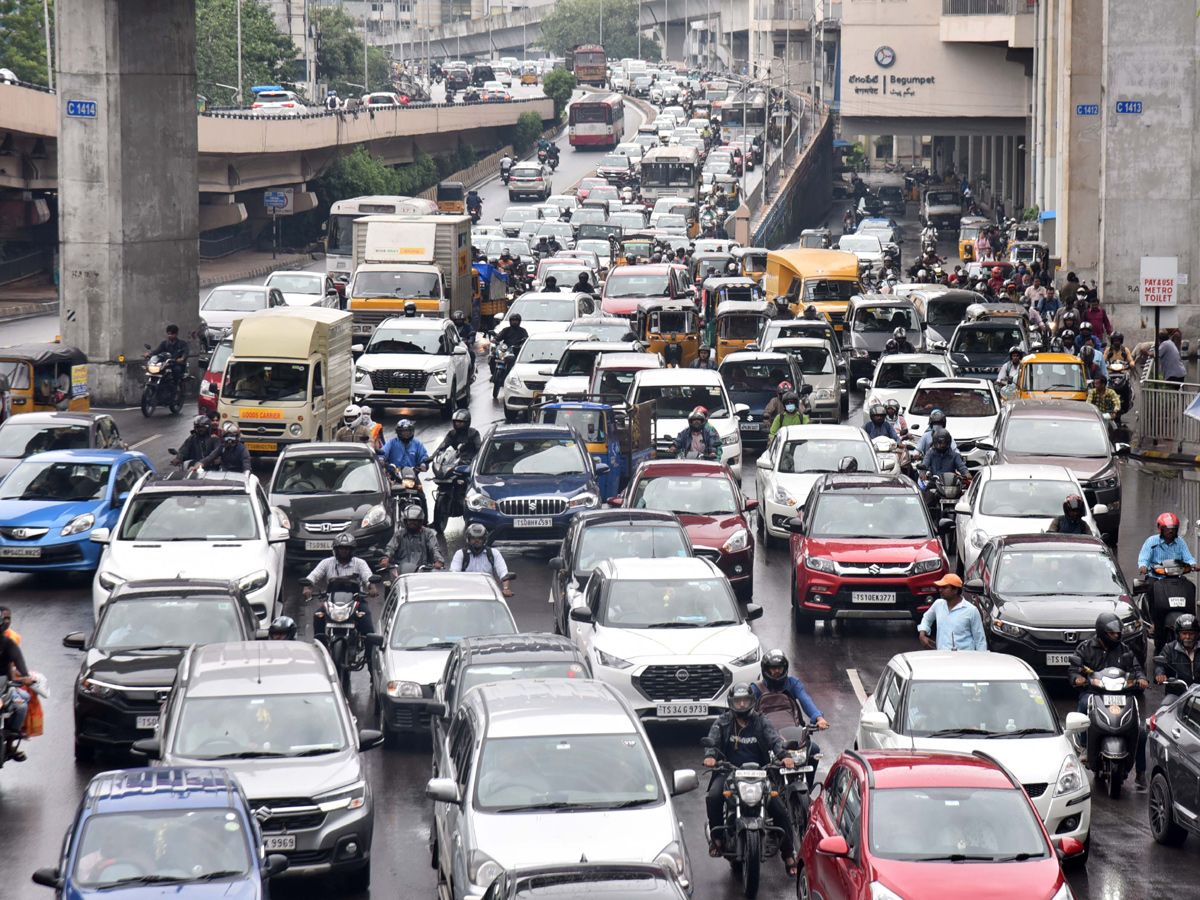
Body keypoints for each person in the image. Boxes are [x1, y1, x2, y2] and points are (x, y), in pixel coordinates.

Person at [703, 683, 797, 874]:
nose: (742, 704)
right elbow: (712, 740)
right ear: (731, 703)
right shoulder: (723, 722)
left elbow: (775, 740)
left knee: (780, 809)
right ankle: (717, 838)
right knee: (713, 796)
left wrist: (785, 756)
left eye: (746, 700)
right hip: (729, 772)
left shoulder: (761, 721)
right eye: (738, 702)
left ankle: (788, 854)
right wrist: (710, 756)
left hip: (760, 773)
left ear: (752, 702)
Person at [1068, 612, 1148, 788]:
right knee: (1083, 704)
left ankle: (1141, 773)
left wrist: (1141, 678)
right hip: (1094, 693)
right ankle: (1084, 745)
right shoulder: (1086, 647)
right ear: (1102, 632)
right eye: (1112, 634)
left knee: (1141, 731)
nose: (1116, 636)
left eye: (1118, 633)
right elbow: (1074, 668)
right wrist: (1077, 678)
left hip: (1121, 694)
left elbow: (1136, 668)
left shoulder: (1124, 650)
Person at [751, 650, 828, 786]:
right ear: (765, 669)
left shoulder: (793, 683)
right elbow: (746, 710)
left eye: (779, 668)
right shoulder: (756, 689)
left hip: (792, 736)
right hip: (767, 739)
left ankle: (807, 787)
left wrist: (818, 718)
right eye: (773, 668)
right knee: (753, 755)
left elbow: (806, 701)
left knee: (814, 750)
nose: (776, 672)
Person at [306, 533, 377, 640]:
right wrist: (307, 587)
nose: (343, 551)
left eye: (347, 548)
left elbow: (368, 577)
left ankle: (369, 654)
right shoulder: (326, 563)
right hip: (332, 601)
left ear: (352, 550)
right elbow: (313, 576)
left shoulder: (360, 563)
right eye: (341, 548)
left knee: (367, 623)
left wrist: (373, 588)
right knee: (318, 616)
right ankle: (320, 646)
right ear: (336, 549)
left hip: (356, 601)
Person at [917, 574, 986, 651]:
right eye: (940, 587)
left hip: (964, 660)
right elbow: (927, 618)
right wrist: (922, 634)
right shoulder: (938, 604)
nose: (940, 590)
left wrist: (981, 660)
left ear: (955, 590)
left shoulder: (971, 611)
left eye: (944, 587)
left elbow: (980, 641)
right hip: (943, 658)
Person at [449, 523, 513, 596]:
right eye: (473, 538)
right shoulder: (460, 554)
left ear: (484, 539)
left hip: (488, 594)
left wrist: (506, 588)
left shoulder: (493, 553)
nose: (477, 541)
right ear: (468, 539)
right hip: (465, 594)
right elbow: (453, 574)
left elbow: (503, 573)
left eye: (480, 538)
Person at [1, 615, 32, 761]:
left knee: (21, 706)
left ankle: (10, 743)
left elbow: (18, 659)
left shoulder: (7, 643)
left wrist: (25, 676)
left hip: (3, 687)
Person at [380, 504, 444, 571]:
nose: (412, 523)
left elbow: (434, 549)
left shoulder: (428, 534)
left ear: (420, 521)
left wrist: (438, 561)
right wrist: (385, 559)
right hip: (401, 571)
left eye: (415, 521)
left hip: (422, 571)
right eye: (410, 520)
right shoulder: (399, 534)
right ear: (405, 521)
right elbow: (390, 548)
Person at [1154, 614, 1200, 686]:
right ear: (1178, 634)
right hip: (1177, 692)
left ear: (1196, 634)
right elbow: (1161, 666)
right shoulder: (1169, 648)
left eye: (1191, 633)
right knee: (1169, 698)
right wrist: (1160, 674)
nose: (1187, 637)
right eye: (1184, 633)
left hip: (1198, 692)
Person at [144, 324, 189, 388]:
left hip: (177, 364)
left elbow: (185, 352)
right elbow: (157, 351)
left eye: (172, 334)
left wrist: (182, 358)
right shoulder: (165, 343)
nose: (170, 336)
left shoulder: (182, 343)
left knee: (176, 370)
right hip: (167, 364)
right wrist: (150, 354)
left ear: (176, 334)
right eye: (169, 334)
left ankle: (174, 388)